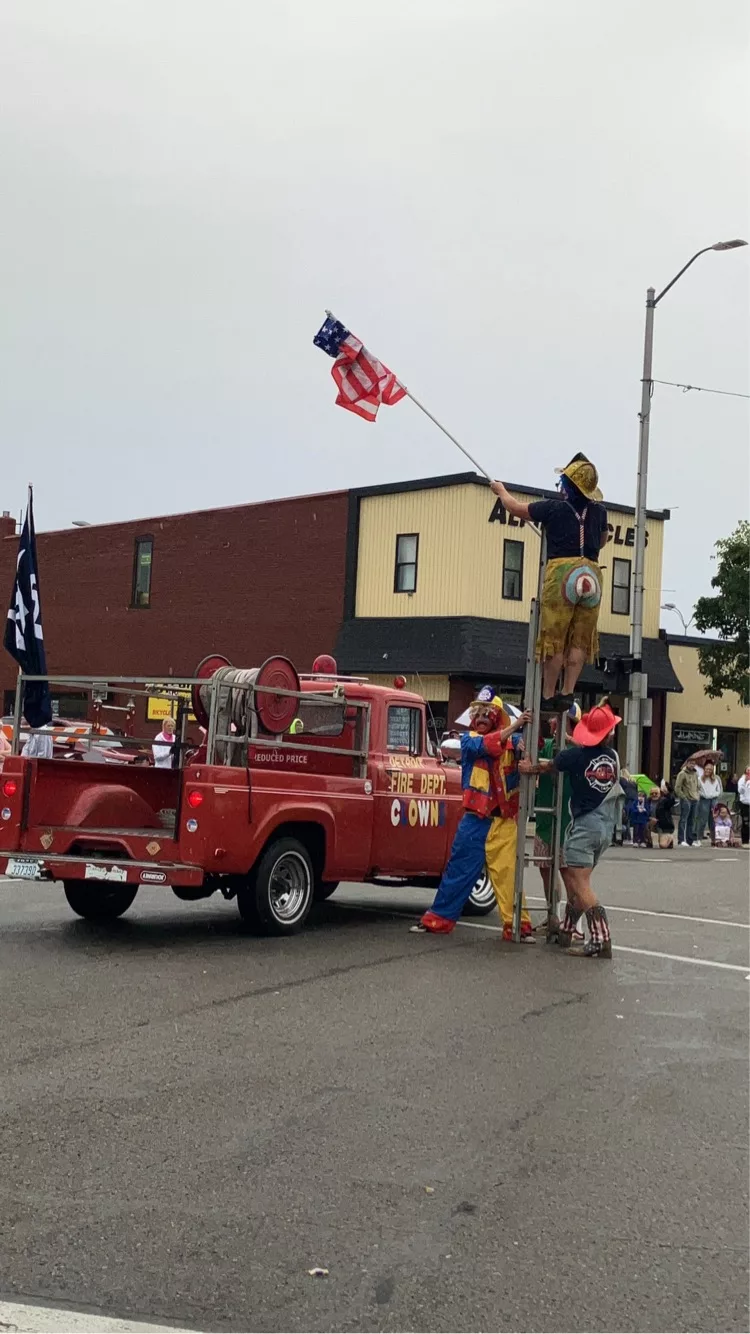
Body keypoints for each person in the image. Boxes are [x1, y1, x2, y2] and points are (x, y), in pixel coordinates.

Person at [411, 689, 532, 936]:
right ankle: (438, 920)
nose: (481, 717)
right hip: (475, 819)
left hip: (504, 820)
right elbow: (489, 745)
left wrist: (525, 754)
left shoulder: (514, 743)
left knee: (508, 876)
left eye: (488, 713)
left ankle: (518, 926)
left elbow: (524, 764)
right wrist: (516, 728)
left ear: (498, 716)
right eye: (477, 712)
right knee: (459, 870)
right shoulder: (469, 741)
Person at [491, 454, 608, 711]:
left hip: (563, 572)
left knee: (555, 638)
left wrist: (501, 491)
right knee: (579, 641)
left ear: (567, 485)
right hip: (592, 574)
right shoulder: (600, 511)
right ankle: (568, 691)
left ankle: (547, 693)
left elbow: (515, 508)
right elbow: (602, 541)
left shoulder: (553, 508)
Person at [519, 701, 621, 959]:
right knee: (580, 882)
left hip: (585, 825)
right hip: (606, 826)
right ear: (608, 733)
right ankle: (566, 929)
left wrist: (531, 767)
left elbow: (550, 766)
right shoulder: (613, 757)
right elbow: (591, 750)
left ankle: (601, 937)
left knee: (579, 885)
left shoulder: (573, 757)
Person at [533, 706, 581, 936]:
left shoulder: (579, 749)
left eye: (563, 721)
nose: (555, 724)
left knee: (566, 870)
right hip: (544, 818)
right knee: (545, 868)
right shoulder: (548, 746)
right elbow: (534, 756)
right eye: (555, 720)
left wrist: (570, 740)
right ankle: (553, 916)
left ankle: (574, 923)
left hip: (567, 820)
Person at [674, 759, 701, 846]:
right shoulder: (682, 774)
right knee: (683, 820)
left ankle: (690, 840)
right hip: (686, 799)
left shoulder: (696, 774)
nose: (692, 765)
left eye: (694, 764)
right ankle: (681, 840)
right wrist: (683, 797)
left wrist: (698, 795)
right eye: (690, 763)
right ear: (687, 764)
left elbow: (698, 786)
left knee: (692, 821)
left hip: (695, 799)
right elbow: (677, 788)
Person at [652, 782, 678, 849]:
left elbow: (671, 801)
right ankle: (647, 841)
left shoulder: (664, 801)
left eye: (656, 793)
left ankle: (670, 837)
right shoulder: (648, 802)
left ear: (660, 793)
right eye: (652, 793)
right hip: (655, 824)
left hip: (665, 826)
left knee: (662, 845)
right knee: (644, 825)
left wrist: (668, 792)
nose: (654, 795)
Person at [738, 767, 750, 849]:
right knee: (746, 823)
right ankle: (745, 841)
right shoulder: (742, 779)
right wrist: (745, 781)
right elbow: (740, 791)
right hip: (745, 803)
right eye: (748, 770)